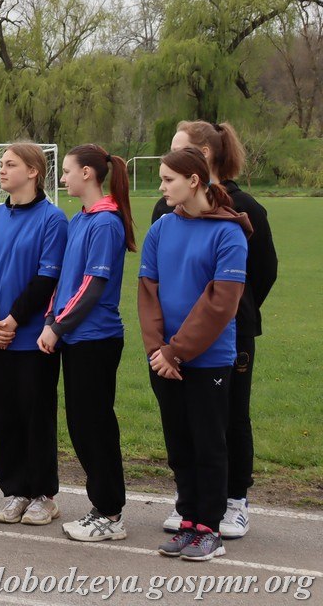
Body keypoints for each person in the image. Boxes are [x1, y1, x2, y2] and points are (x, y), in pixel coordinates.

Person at [153, 121, 277, 540]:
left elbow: (262, 273)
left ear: (202, 157)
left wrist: (234, 311)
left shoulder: (242, 211)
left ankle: (234, 501)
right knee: (183, 424)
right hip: (172, 341)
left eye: (178, 149)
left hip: (228, 334)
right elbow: (154, 280)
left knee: (230, 418)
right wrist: (166, 344)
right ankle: (190, 503)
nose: (164, 179)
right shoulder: (166, 214)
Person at [141, 147, 250, 563]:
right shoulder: (161, 229)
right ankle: (188, 520)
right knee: (179, 444)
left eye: (168, 179)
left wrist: (177, 351)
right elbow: (148, 292)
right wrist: (158, 350)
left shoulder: (228, 232)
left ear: (194, 181)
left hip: (207, 360)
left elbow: (220, 304)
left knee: (208, 444)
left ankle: (209, 529)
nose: (162, 186)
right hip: (163, 360)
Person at [0, 143, 68, 525]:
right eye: (1, 164)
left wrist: (12, 320)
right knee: (3, 416)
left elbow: (47, 277)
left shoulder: (52, 219)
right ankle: (15, 491)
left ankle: (43, 494)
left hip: (32, 338)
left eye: (10, 164)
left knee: (35, 415)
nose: (2, 170)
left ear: (33, 171)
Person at [38, 145, 135, 542]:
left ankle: (110, 514)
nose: (62, 178)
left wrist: (58, 327)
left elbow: (93, 286)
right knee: (81, 425)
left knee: (95, 426)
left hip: (96, 339)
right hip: (75, 337)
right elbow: (66, 281)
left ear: (88, 174)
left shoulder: (106, 222)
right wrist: (51, 318)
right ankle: (103, 508)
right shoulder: (81, 219)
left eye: (66, 171)